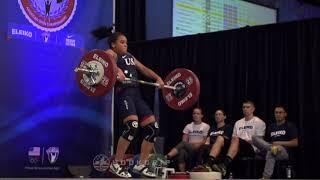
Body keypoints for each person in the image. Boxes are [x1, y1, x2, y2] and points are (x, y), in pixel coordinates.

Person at [103, 32, 165, 178]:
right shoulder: (111, 53)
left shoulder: (130, 57)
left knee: (153, 129)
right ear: (113, 44)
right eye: (122, 42)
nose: (125, 44)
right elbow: (108, 61)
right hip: (124, 94)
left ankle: (141, 165)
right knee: (132, 126)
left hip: (136, 95)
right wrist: (117, 70)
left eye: (126, 42)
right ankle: (116, 163)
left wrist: (158, 78)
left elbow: (143, 69)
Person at [212, 100, 266, 177]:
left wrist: (243, 141)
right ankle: (209, 163)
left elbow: (260, 142)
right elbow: (233, 138)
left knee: (236, 139)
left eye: (248, 107)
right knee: (220, 138)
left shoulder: (259, 122)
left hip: (251, 149)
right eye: (244, 107)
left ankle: (224, 165)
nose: (245, 109)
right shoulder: (238, 123)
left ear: (253, 109)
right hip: (237, 147)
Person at [252, 105, 298, 179]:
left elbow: (295, 143)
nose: (278, 114)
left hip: (284, 152)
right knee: (254, 137)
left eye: (280, 112)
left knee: (273, 151)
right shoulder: (271, 127)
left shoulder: (290, 126)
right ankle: (272, 148)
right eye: (276, 112)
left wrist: (278, 143)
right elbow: (266, 142)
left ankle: (265, 177)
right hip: (271, 148)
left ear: (285, 114)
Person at [165, 107, 210, 172]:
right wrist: (191, 145)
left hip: (200, 148)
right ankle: (183, 173)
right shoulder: (188, 126)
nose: (195, 115)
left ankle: (166, 157)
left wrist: (195, 145)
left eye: (198, 113)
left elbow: (204, 141)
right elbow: (184, 140)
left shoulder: (206, 126)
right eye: (194, 113)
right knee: (181, 152)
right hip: (190, 149)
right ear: (192, 115)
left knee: (183, 144)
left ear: (201, 116)